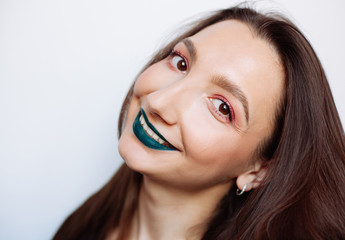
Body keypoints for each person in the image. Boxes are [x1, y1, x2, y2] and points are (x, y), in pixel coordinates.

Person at [53, 5, 345, 240]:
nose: (158, 102)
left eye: (221, 107)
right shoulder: (82, 228)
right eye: (181, 63)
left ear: (260, 170)